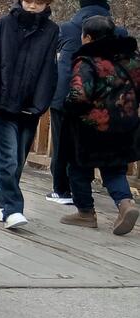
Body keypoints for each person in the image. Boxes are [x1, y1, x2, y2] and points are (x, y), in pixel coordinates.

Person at [0, 0, 60, 229]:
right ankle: (13, 209)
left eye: (38, 2)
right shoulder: (5, 23)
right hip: (4, 103)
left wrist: (40, 103)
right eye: (28, 1)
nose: (32, 6)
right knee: (8, 158)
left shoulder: (51, 30)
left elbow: (49, 69)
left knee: (17, 158)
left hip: (30, 106)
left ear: (47, 4)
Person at [60, 16, 140, 235]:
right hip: (124, 124)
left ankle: (85, 212)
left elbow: (79, 95)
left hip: (91, 126)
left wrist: (67, 105)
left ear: (87, 37)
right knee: (114, 169)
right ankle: (125, 204)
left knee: (78, 167)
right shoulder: (131, 57)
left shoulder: (87, 60)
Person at [48, 0, 123, 205]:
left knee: (62, 144)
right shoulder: (118, 32)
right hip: (102, 97)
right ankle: (109, 193)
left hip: (65, 93)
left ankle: (62, 190)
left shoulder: (66, 29)